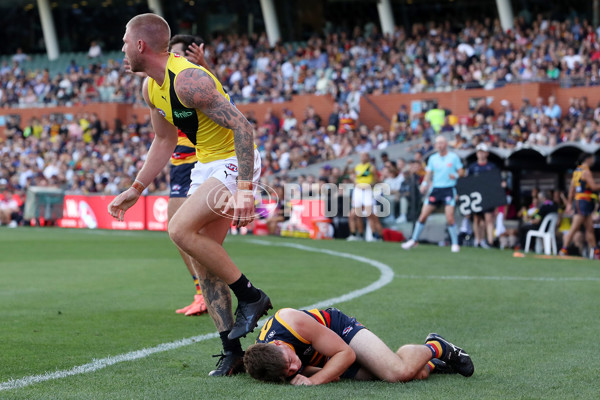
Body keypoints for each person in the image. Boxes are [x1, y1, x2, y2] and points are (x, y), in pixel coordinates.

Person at [108, 13, 272, 376]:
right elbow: (164, 139)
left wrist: (245, 191)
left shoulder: (187, 79)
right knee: (203, 260)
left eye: (123, 42)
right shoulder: (149, 86)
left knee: (178, 229)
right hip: (206, 165)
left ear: (140, 45)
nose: (120, 49)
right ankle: (232, 351)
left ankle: (251, 296)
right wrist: (136, 188)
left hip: (234, 160)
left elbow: (244, 127)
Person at [243, 307, 474, 385]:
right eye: (289, 372)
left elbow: (345, 353)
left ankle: (438, 346)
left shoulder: (290, 321)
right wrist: (307, 373)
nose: (294, 367)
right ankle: (433, 363)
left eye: (291, 362)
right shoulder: (269, 363)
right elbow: (323, 374)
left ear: (277, 344)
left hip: (340, 333)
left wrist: (314, 380)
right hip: (321, 356)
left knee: (397, 373)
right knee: (416, 374)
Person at [166, 34, 211, 317]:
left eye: (177, 53)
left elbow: (222, 101)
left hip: (199, 160)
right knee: (177, 232)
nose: (171, 58)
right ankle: (201, 291)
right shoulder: (165, 82)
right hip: (179, 160)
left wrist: (205, 67)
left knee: (188, 233)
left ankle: (212, 291)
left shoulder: (197, 81)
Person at [402, 135, 465, 252]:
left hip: (449, 189)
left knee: (450, 217)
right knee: (423, 216)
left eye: (441, 143)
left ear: (445, 144)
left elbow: (461, 171)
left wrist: (455, 175)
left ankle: (455, 243)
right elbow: (428, 173)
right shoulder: (433, 158)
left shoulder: (453, 157)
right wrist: (424, 184)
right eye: (437, 143)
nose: (439, 145)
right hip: (436, 189)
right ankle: (414, 239)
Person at [560, 153, 600, 258]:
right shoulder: (586, 171)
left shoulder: (577, 171)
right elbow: (593, 187)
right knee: (575, 227)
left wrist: (569, 203)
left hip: (580, 202)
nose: (593, 161)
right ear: (587, 159)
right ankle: (563, 250)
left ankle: (597, 253)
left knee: (589, 228)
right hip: (584, 202)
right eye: (592, 159)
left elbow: (571, 190)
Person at [467, 143, 498, 248]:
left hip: (488, 196)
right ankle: (478, 240)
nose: (480, 154)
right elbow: (468, 182)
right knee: (477, 218)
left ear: (487, 153)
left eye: (482, 152)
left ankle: (490, 241)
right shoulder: (472, 167)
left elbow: (496, 182)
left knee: (488, 218)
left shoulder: (491, 166)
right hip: (476, 197)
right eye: (479, 152)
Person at [346, 152, 383, 241]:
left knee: (370, 214)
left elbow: (377, 180)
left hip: (367, 191)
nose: (362, 157)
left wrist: (369, 185)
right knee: (355, 214)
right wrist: (347, 164)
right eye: (361, 156)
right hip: (358, 191)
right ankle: (357, 235)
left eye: (364, 156)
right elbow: (346, 173)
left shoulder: (371, 168)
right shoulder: (357, 167)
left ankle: (375, 235)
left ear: (368, 157)